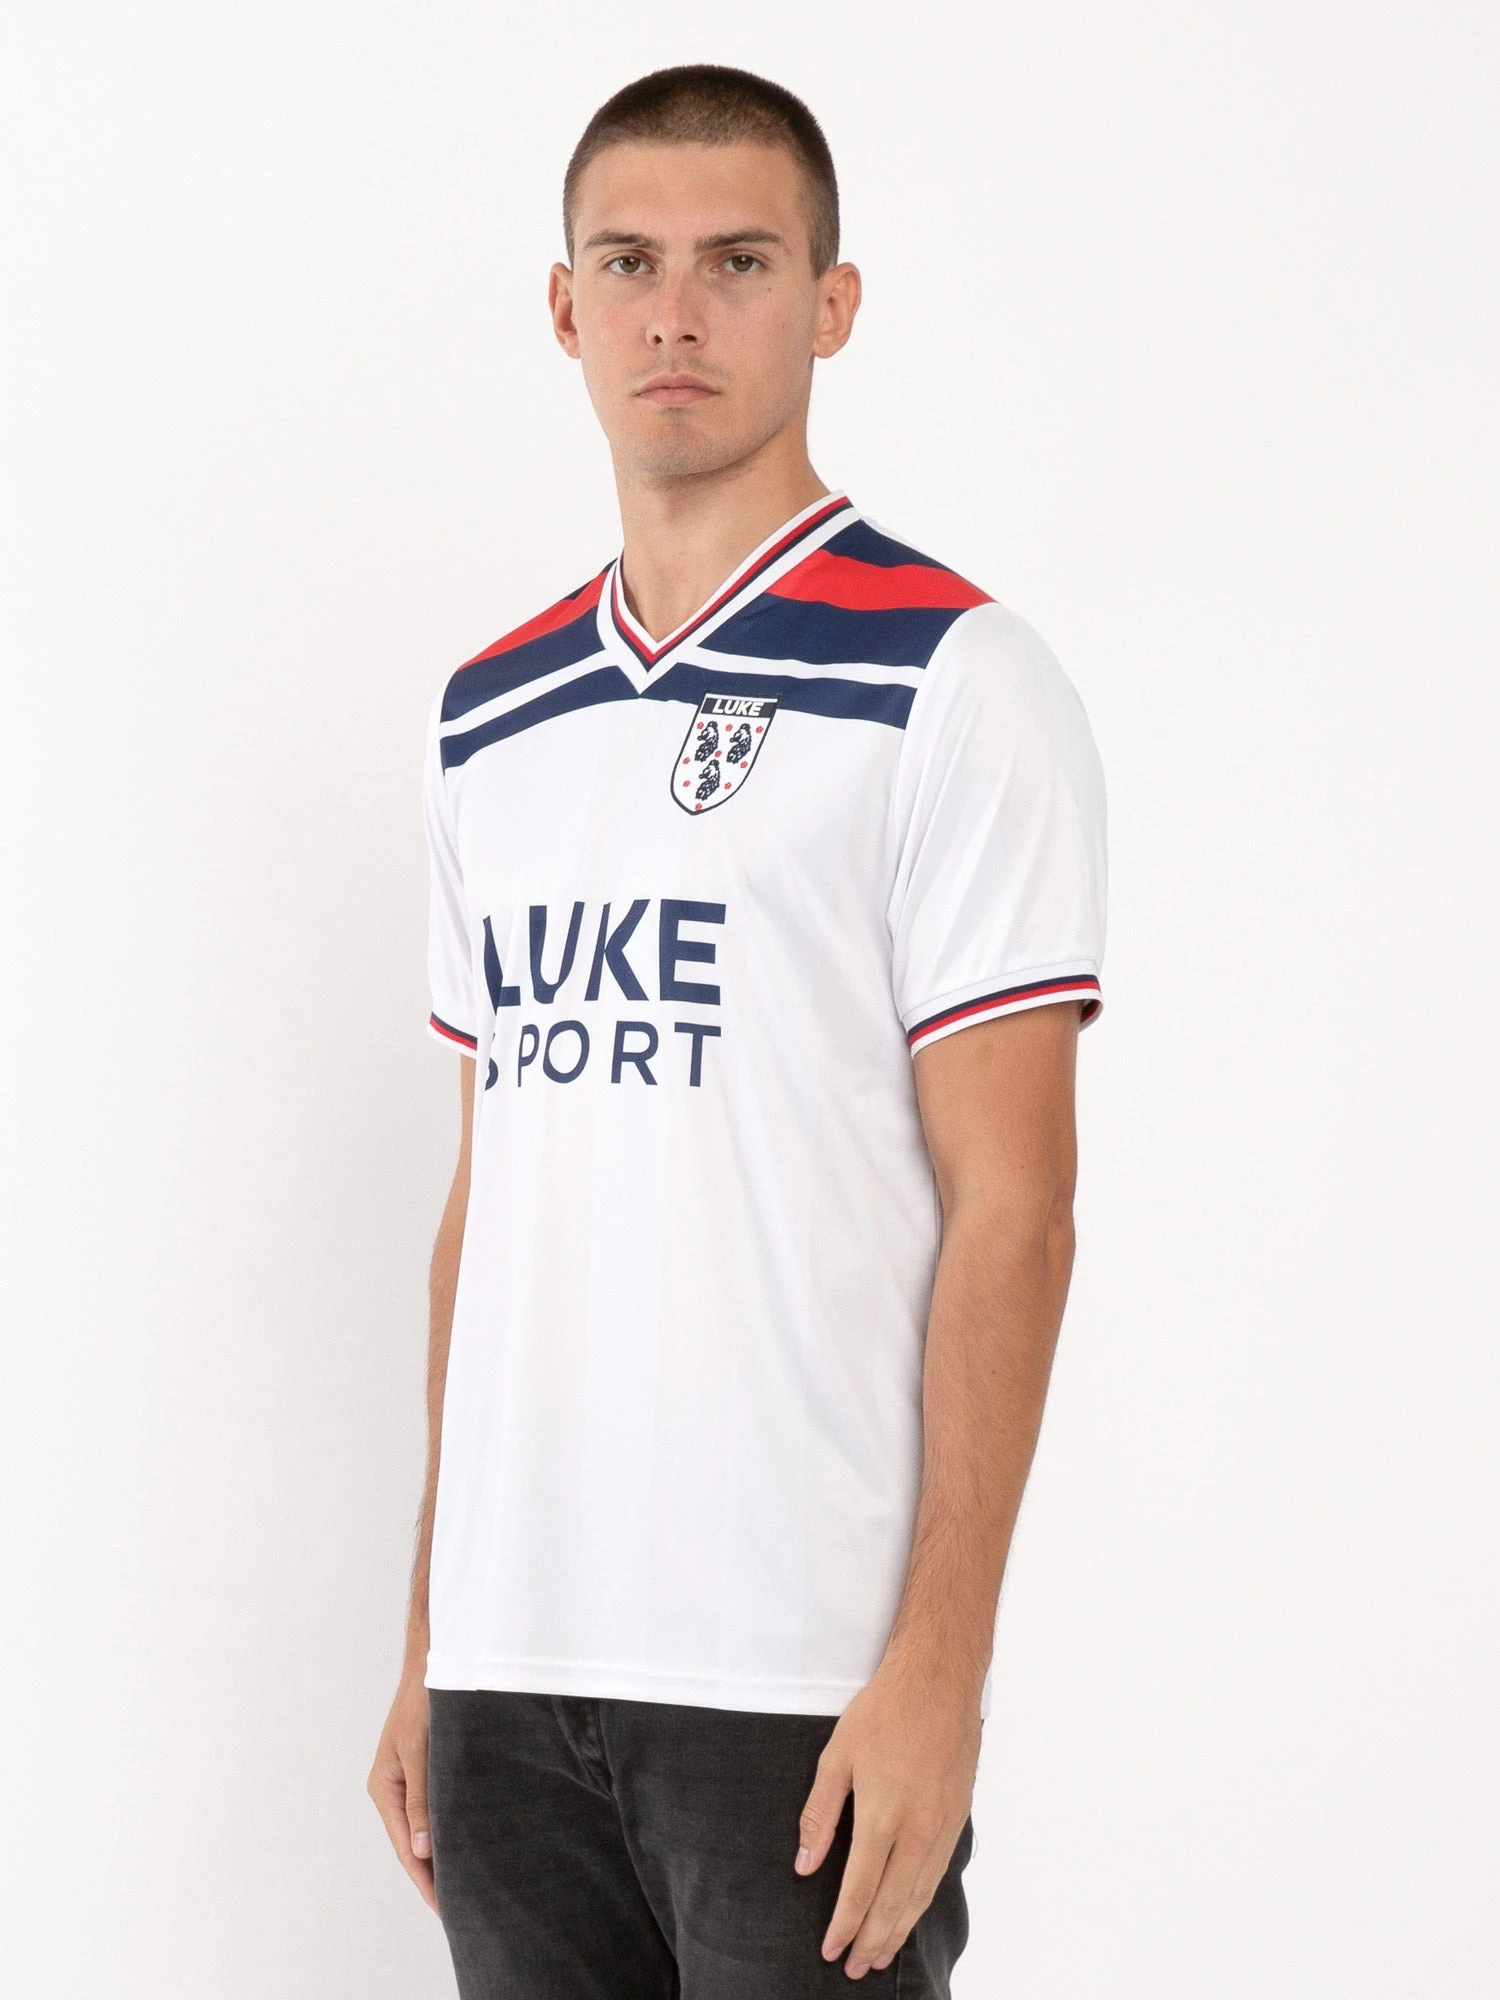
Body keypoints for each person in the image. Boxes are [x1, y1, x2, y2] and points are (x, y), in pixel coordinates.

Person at [367, 62, 1107, 1998]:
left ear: (831, 303)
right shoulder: (489, 716)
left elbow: (1018, 1206)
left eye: (740, 261)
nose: (676, 313)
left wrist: (941, 1667)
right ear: (564, 307)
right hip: (511, 1679)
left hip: (794, 1676)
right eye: (628, 263)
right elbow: (489, 1199)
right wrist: (434, 1630)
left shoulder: (953, 678)